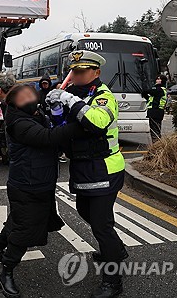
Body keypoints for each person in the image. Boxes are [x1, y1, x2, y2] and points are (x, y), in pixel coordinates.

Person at [47, 50, 127, 298]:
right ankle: (116, 249)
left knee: (102, 226)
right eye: (75, 71)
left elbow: (96, 122)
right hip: (82, 169)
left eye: (83, 71)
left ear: (96, 72)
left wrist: (69, 101)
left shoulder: (104, 96)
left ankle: (113, 281)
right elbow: (62, 128)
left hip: (105, 168)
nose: (78, 75)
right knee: (84, 213)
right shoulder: (76, 94)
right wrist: (53, 107)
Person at [0, 84, 81, 298]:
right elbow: (47, 138)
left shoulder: (35, 114)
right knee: (25, 230)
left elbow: (52, 134)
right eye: (23, 98)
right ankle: (7, 272)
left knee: (18, 220)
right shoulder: (17, 121)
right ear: (13, 103)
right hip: (26, 184)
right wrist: (81, 123)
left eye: (30, 95)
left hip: (40, 182)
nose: (29, 99)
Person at [142, 74, 168, 142]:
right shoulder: (162, 90)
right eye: (157, 79)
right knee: (156, 130)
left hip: (155, 111)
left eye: (159, 79)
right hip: (157, 112)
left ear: (163, 81)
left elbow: (147, 91)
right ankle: (157, 146)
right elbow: (150, 97)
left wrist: (144, 90)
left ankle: (156, 147)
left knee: (154, 131)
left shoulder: (158, 89)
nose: (157, 80)